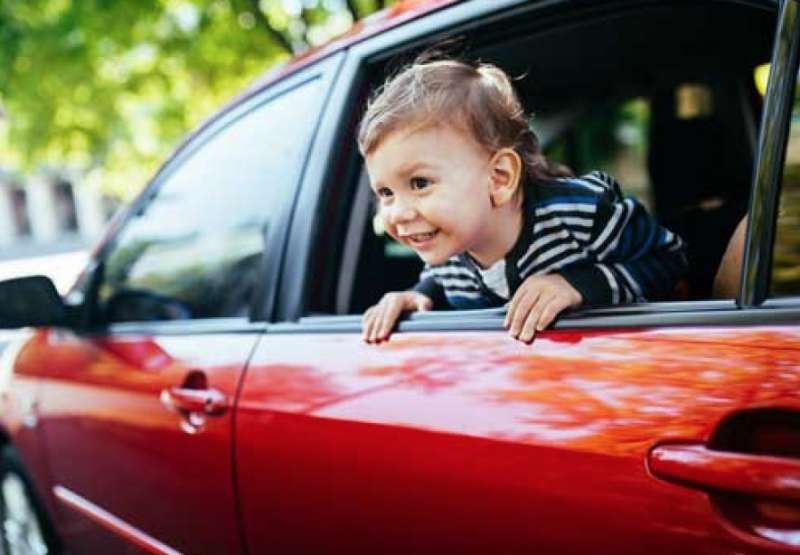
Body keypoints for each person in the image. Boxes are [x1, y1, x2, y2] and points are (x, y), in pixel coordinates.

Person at [359, 58, 687, 343]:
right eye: (385, 193)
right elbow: (441, 278)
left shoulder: (578, 213)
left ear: (499, 177)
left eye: (419, 182)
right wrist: (420, 296)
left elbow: (669, 261)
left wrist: (580, 285)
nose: (398, 213)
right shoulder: (448, 251)